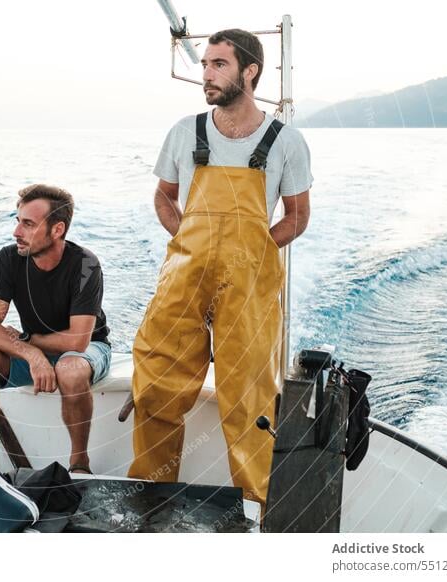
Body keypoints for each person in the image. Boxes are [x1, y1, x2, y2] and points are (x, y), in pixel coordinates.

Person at [128, 29, 313, 507]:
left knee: (248, 400)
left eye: (218, 65)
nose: (205, 74)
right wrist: (187, 238)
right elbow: (164, 197)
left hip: (248, 285)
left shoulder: (285, 141)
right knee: (156, 389)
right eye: (205, 64)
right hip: (183, 281)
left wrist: (253, 248)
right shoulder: (184, 132)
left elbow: (296, 216)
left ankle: (252, 506)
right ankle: (148, 494)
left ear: (249, 72)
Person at [0, 184, 111, 475]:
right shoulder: (8, 259)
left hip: (87, 349)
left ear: (57, 230)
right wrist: (32, 354)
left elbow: (78, 339)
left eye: (28, 224)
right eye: (17, 221)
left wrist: (31, 341)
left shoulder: (86, 265)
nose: (16, 232)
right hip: (37, 347)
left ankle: (80, 466)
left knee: (69, 369)